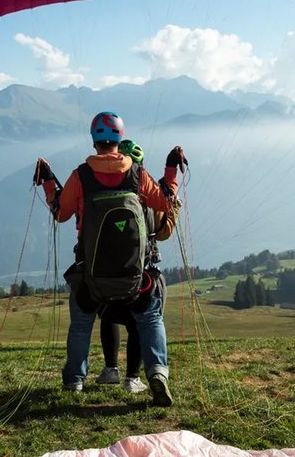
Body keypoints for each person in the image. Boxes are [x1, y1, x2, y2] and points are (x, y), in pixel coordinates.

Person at [34, 111, 186, 407]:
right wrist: (170, 172)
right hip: (135, 276)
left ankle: (75, 381)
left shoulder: (81, 175)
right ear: (119, 138)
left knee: (81, 323)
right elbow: (165, 203)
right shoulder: (137, 174)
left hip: (91, 276)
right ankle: (157, 372)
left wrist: (48, 182)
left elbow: (61, 213)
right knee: (151, 317)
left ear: (94, 141)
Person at [95, 139, 179, 394]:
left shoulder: (103, 195)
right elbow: (163, 232)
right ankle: (134, 378)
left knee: (109, 315)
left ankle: (110, 368)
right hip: (143, 273)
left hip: (106, 269)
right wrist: (171, 183)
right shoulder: (149, 195)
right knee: (140, 322)